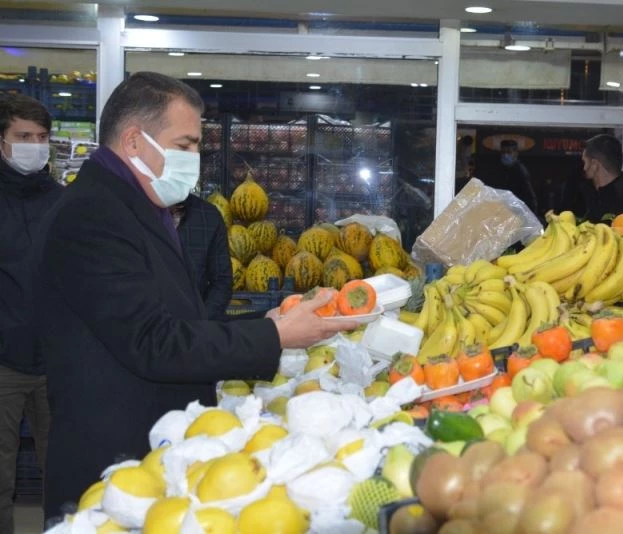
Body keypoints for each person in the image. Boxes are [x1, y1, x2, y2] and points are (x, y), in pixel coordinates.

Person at [33, 72, 360, 522]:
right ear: (133, 141)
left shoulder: (133, 207)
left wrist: (272, 322)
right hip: (115, 469)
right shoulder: (91, 217)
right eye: (185, 145)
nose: (195, 159)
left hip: (149, 452)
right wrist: (275, 338)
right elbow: (155, 342)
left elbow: (178, 320)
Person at [0, 95, 61, 533]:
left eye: (41, 138)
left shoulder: (63, 202)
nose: (34, 147)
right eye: (23, 137)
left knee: (61, 471)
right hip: (2, 363)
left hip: (58, 363)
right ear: (1, 141)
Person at [170, 193, 232, 321]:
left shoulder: (209, 216)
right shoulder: (137, 212)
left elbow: (222, 281)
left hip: (194, 326)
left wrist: (203, 322)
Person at [483, 139, 539, 219]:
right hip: (502, 212)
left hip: (517, 214)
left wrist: (531, 218)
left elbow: (530, 198)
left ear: (516, 154)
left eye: (509, 152)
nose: (505, 155)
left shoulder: (520, 172)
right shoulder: (499, 169)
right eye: (503, 152)